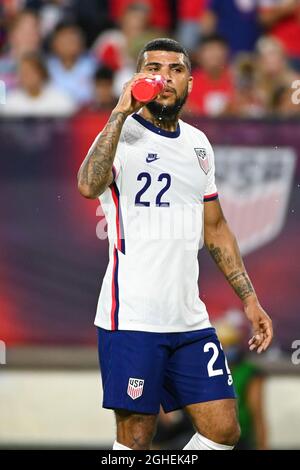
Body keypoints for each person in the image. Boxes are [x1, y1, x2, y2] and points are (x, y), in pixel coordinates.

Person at [77, 38, 273, 451]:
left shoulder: (199, 144)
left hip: (189, 318)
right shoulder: (121, 134)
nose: (163, 77)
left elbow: (216, 228)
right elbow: (87, 184)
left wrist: (250, 299)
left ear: (189, 82)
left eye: (175, 69)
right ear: (137, 77)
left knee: (223, 429)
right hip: (132, 317)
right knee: (136, 439)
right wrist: (118, 112)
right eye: (153, 68)